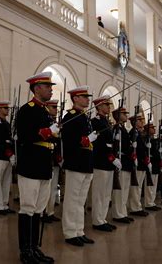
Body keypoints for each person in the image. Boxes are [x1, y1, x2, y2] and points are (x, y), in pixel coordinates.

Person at [16, 72, 56, 263]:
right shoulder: (27, 109)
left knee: (39, 208)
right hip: (30, 164)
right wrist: (47, 132)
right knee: (28, 208)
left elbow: (48, 137)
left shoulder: (44, 112)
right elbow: (24, 136)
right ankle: (25, 251)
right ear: (37, 88)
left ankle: (34, 248)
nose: (50, 89)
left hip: (43, 165)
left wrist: (53, 133)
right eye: (47, 86)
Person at [61, 86, 95, 247]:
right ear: (75, 99)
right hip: (75, 162)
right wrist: (83, 141)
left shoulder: (84, 117)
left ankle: (79, 230)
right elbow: (68, 141)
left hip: (86, 162)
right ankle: (69, 232)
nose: (88, 99)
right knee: (72, 199)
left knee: (81, 200)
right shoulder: (70, 116)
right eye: (84, 96)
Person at [91, 95, 119, 232]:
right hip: (101, 161)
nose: (109, 107)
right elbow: (99, 143)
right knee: (99, 193)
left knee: (106, 193)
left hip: (108, 162)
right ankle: (97, 220)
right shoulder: (95, 122)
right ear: (99, 106)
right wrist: (110, 157)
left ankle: (103, 218)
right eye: (106, 105)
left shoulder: (107, 122)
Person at [111, 107, 135, 223]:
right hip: (121, 160)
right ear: (118, 115)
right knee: (119, 190)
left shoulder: (123, 129)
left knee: (125, 189)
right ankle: (117, 214)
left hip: (126, 161)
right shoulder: (117, 128)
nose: (126, 115)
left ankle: (123, 212)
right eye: (124, 113)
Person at [0, 101, 16, 215]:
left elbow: (8, 140)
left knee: (6, 181)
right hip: (0, 156)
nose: (7, 110)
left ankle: (5, 204)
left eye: (7, 108)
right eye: (5, 108)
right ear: (0, 109)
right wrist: (9, 153)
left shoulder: (6, 123)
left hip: (7, 156)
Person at [128, 113, 150, 217]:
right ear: (135, 122)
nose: (142, 122)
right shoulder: (133, 132)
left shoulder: (138, 133)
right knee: (136, 187)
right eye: (140, 120)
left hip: (141, 163)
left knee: (139, 187)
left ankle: (137, 206)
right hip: (137, 163)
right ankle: (135, 207)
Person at [43, 99, 62, 223]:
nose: (56, 109)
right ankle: (43, 212)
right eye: (53, 107)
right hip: (46, 159)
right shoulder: (45, 121)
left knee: (53, 188)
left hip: (55, 160)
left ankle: (50, 212)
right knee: (46, 188)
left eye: (56, 107)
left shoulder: (55, 122)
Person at [143, 123, 162, 211]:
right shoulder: (146, 139)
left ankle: (152, 201)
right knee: (149, 185)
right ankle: (148, 203)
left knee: (154, 184)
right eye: (152, 128)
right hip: (150, 163)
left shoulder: (153, 139)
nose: (154, 129)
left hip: (155, 164)